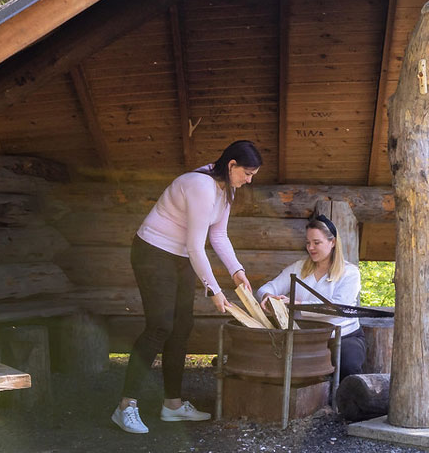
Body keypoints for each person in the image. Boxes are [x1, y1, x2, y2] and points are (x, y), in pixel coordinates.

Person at [113, 140, 260, 435]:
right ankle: (125, 407)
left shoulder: (226, 191)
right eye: (247, 173)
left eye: (253, 174)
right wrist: (215, 290)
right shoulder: (200, 185)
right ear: (232, 165)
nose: (249, 179)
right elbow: (197, 246)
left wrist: (237, 271)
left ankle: (173, 406)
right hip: (153, 252)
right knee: (160, 326)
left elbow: (218, 236)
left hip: (179, 257)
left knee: (182, 326)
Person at [257, 214, 366, 379]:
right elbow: (267, 287)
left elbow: (337, 307)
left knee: (348, 364)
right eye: (308, 243)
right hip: (307, 338)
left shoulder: (350, 273)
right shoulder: (299, 268)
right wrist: (268, 296)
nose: (311, 248)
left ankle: (344, 404)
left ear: (333, 242)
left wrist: (298, 304)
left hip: (343, 337)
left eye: (317, 243)